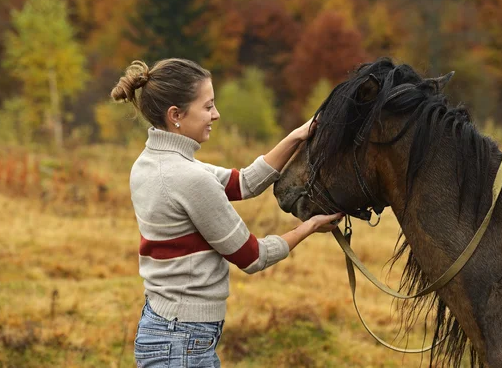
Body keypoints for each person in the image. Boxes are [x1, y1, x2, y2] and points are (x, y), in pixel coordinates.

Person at [111, 58, 343, 368]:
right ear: (176, 115)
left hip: (168, 329)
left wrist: (297, 136)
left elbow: (244, 183)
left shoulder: (150, 162)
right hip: (182, 342)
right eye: (207, 107)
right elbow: (252, 256)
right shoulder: (188, 177)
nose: (216, 115)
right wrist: (310, 226)